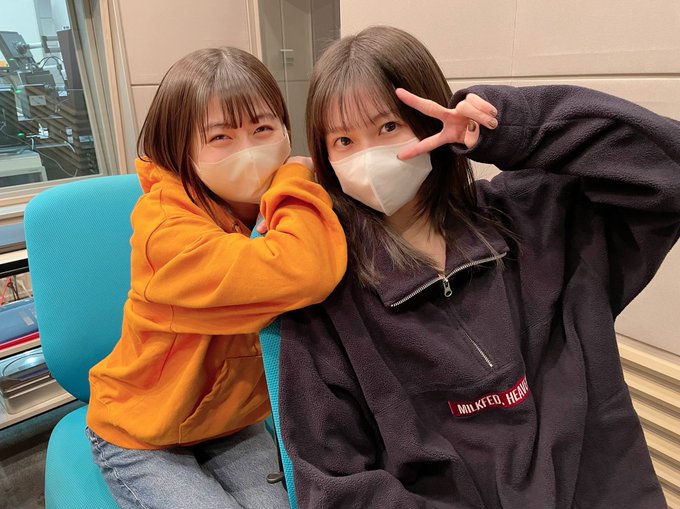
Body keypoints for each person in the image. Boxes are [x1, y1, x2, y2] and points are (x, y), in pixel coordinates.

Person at [276, 26, 679, 509]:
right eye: (344, 140)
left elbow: (667, 170)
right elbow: (334, 484)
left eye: (388, 127)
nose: (368, 157)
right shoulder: (325, 293)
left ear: (432, 121)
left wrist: (508, 127)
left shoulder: (536, 218)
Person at [85, 47, 346, 509]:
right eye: (221, 136)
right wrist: (295, 178)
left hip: (231, 424)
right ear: (180, 148)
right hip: (142, 434)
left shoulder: (262, 204)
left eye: (263, 129)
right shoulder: (166, 229)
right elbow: (305, 271)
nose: (249, 150)